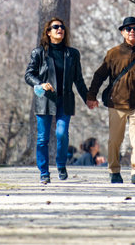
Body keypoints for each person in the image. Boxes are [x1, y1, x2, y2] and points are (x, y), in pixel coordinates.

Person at [87, 16, 135, 184]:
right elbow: (99, 76)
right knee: (114, 140)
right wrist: (91, 96)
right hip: (116, 104)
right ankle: (114, 171)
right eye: (128, 29)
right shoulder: (113, 53)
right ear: (122, 32)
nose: (132, 31)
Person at [25, 17, 87, 184]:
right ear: (48, 32)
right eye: (55, 27)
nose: (60, 29)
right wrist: (41, 83)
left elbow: (79, 80)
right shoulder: (39, 53)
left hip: (64, 100)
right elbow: (29, 75)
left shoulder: (72, 54)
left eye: (62, 27)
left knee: (61, 134)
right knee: (43, 138)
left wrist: (89, 98)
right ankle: (44, 172)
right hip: (45, 100)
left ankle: (61, 165)